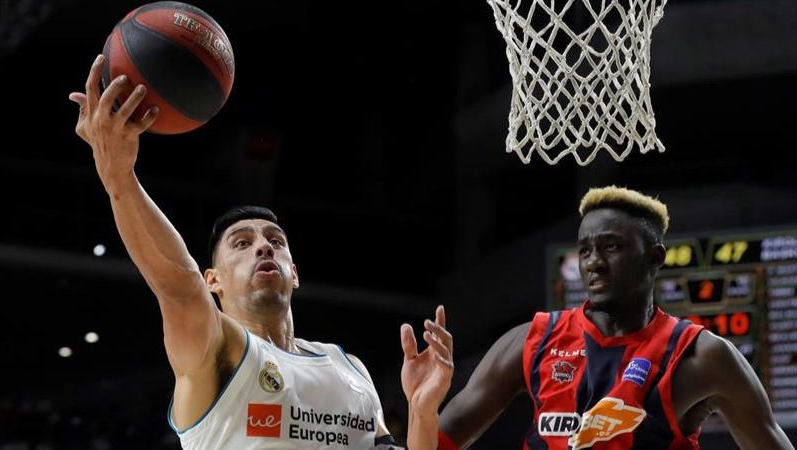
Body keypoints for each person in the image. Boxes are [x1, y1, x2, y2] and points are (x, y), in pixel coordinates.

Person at [69, 54, 453, 450]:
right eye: (242, 244)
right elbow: (176, 282)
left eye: (275, 241)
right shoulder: (216, 350)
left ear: (295, 272)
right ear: (212, 281)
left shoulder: (349, 368)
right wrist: (118, 177)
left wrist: (422, 414)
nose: (263, 246)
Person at [423, 186, 794, 449]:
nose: (594, 263)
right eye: (585, 250)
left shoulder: (702, 356)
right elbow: (435, 444)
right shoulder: (531, 341)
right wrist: (422, 403)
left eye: (611, 247)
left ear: (654, 258)